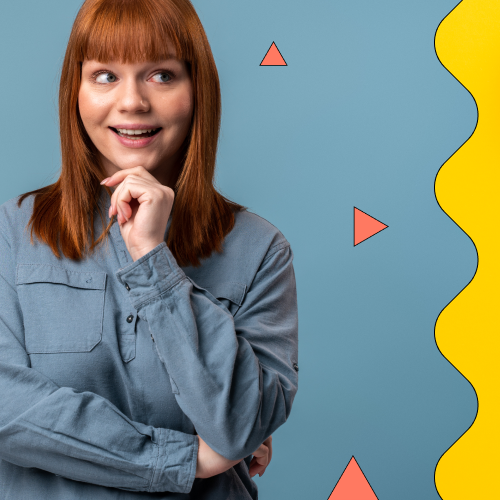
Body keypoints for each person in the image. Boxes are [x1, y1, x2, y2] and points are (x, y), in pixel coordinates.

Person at [0, 0, 299, 498]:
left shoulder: (260, 250)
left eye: (161, 75)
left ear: (196, 90)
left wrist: (152, 258)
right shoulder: (11, 233)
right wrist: (184, 459)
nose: (133, 102)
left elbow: (239, 427)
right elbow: (7, 410)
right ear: (74, 92)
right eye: (104, 76)